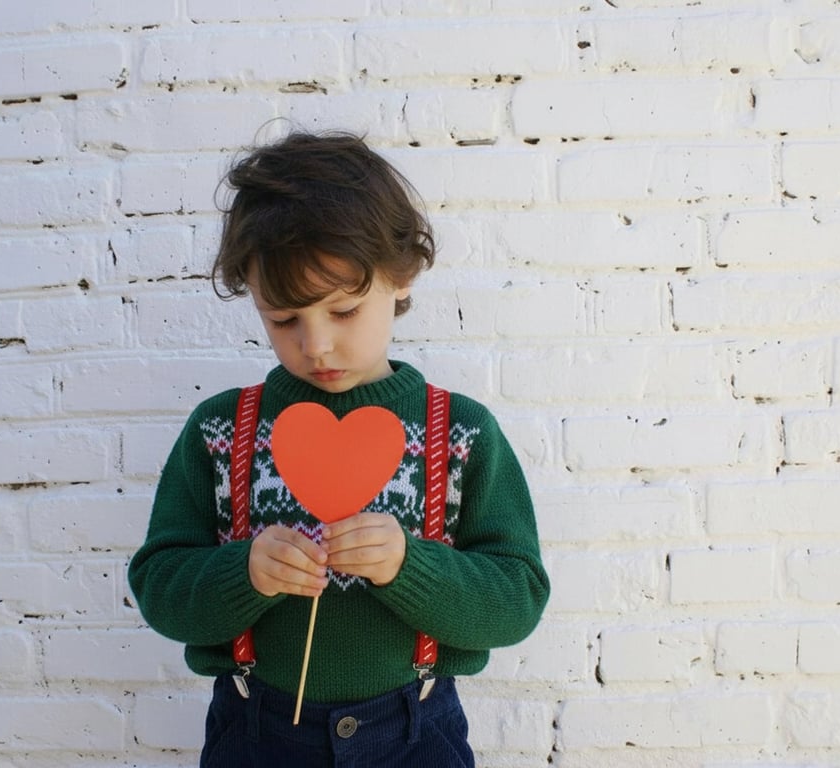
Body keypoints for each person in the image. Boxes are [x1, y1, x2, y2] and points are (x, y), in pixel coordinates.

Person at [128, 129, 549, 767]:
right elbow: (160, 588)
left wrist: (411, 566)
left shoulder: (461, 433)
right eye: (283, 319)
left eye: (344, 310)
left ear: (401, 277)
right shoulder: (222, 431)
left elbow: (516, 600)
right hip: (257, 732)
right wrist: (244, 573)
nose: (316, 345)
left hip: (414, 733)